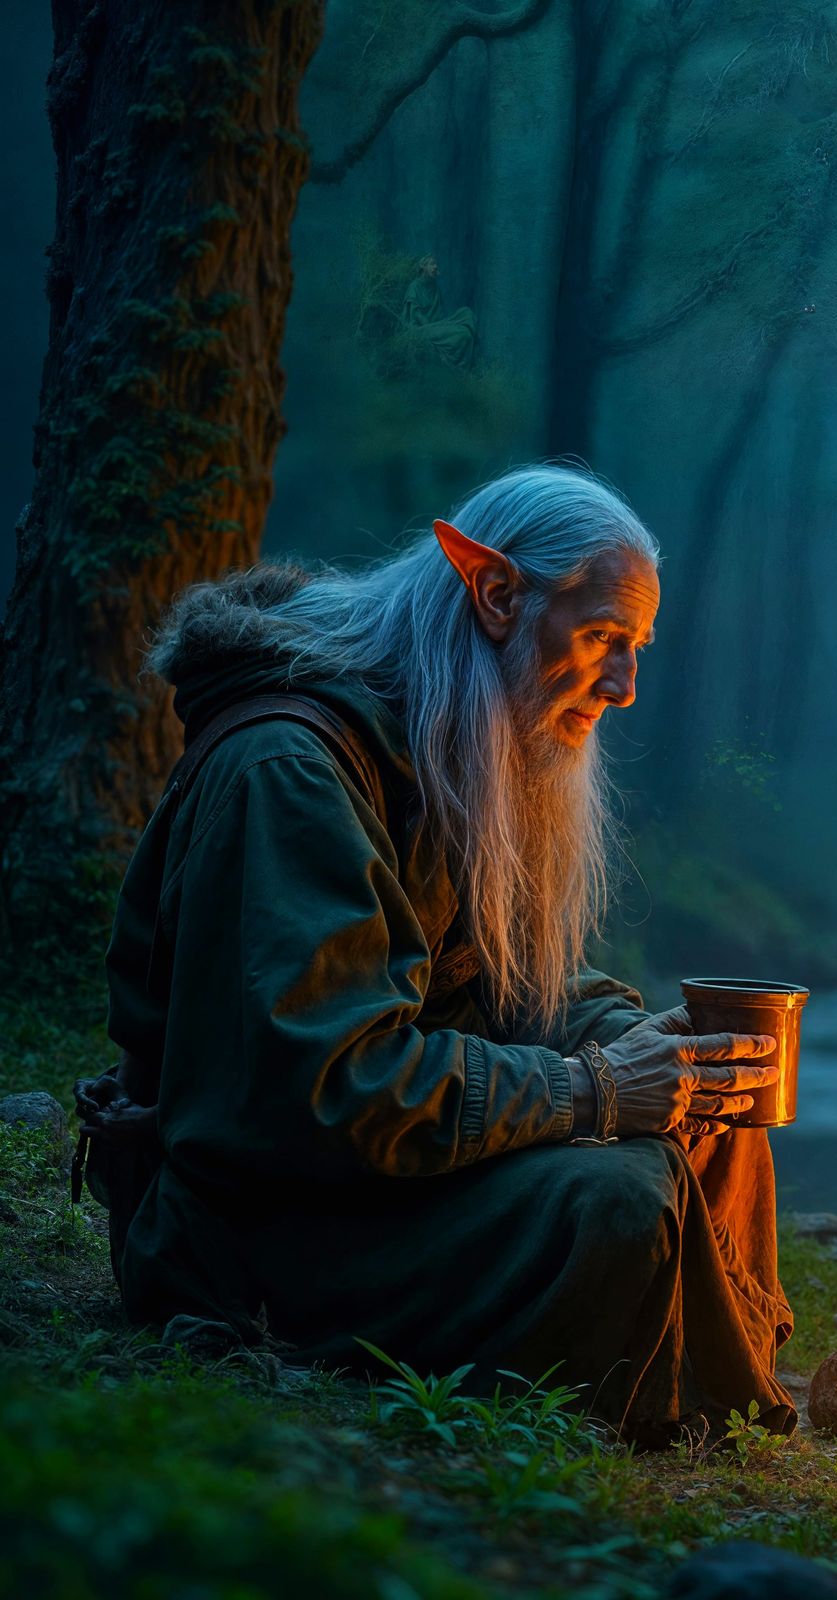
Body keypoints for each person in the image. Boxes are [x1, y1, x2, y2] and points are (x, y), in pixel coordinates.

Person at [96, 465, 794, 1445]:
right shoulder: (290, 768)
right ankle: (673, 1398)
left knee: (714, 1109)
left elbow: (501, 988)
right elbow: (329, 1092)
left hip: (387, 1176)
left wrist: (641, 1045)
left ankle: (717, 1385)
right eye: (601, 638)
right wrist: (594, 1089)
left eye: (634, 649)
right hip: (257, 1227)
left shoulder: (445, 733)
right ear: (496, 593)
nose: (626, 687)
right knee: (620, 1199)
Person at [401, 255, 477, 367]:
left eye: (436, 264)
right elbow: (417, 316)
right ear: (423, 267)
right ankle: (460, 366)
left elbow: (438, 315)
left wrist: (442, 326)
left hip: (435, 326)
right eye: (432, 264)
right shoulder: (414, 287)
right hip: (421, 329)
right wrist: (439, 327)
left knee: (466, 312)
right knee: (464, 334)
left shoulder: (434, 287)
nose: (435, 267)